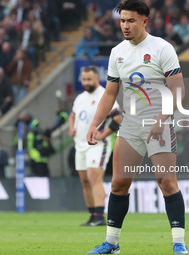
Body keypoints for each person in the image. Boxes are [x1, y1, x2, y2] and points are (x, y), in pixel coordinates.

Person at [85, 1, 188, 254]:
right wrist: (94, 124)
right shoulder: (117, 52)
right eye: (122, 21)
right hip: (130, 125)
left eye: (131, 20)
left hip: (158, 123)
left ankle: (179, 244)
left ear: (144, 21)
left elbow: (178, 90)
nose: (125, 26)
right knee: (119, 184)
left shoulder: (162, 48)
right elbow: (110, 94)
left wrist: (162, 119)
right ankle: (111, 243)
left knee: (166, 181)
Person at [69, 66, 120, 227]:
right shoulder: (80, 98)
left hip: (98, 145)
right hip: (80, 144)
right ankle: (92, 216)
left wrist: (103, 135)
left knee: (94, 177)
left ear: (97, 79)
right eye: (83, 79)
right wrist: (72, 128)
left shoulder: (104, 95)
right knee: (85, 180)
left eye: (89, 79)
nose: (86, 82)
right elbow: (73, 115)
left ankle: (100, 215)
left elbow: (118, 118)